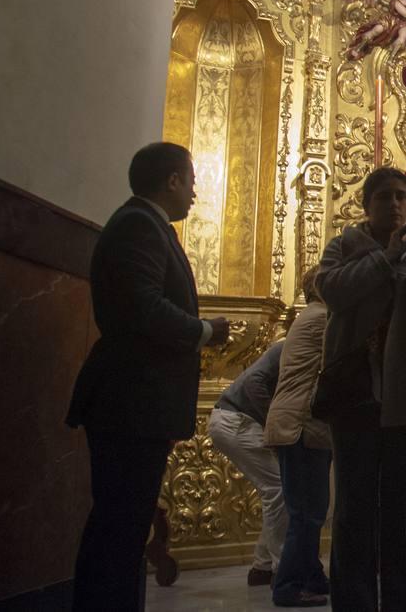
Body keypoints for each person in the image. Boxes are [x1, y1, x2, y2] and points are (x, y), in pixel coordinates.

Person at [67, 142, 229, 610]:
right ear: (172, 180)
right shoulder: (140, 225)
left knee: (126, 520)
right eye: (192, 179)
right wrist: (203, 330)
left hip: (136, 398)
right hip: (131, 398)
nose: (196, 191)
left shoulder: (145, 225)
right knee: (119, 522)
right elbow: (142, 305)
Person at [313, 167, 406, 612]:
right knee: (355, 509)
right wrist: (385, 258)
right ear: (365, 205)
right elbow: (331, 290)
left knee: (404, 511)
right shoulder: (345, 246)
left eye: (401, 197)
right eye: (383, 197)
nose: (394, 205)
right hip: (356, 395)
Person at [263, 266, 332, 607]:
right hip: (301, 425)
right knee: (308, 512)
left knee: (306, 509)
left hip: (295, 423)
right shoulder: (322, 318)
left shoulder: (310, 316)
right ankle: (288, 586)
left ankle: (313, 577)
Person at [207, 340, 286, 589]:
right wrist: (273, 425)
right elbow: (253, 383)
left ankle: (262, 568)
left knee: (276, 490)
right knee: (278, 489)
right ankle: (283, 569)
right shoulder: (289, 345)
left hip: (233, 419)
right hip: (237, 420)